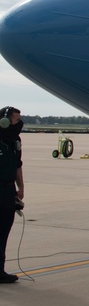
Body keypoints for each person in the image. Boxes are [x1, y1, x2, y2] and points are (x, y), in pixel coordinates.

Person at [0, 106, 25, 283]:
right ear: (4, 120)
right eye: (15, 120)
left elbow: (17, 164)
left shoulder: (15, 140)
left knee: (3, 231)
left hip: (8, 190)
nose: (18, 123)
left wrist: (21, 187)